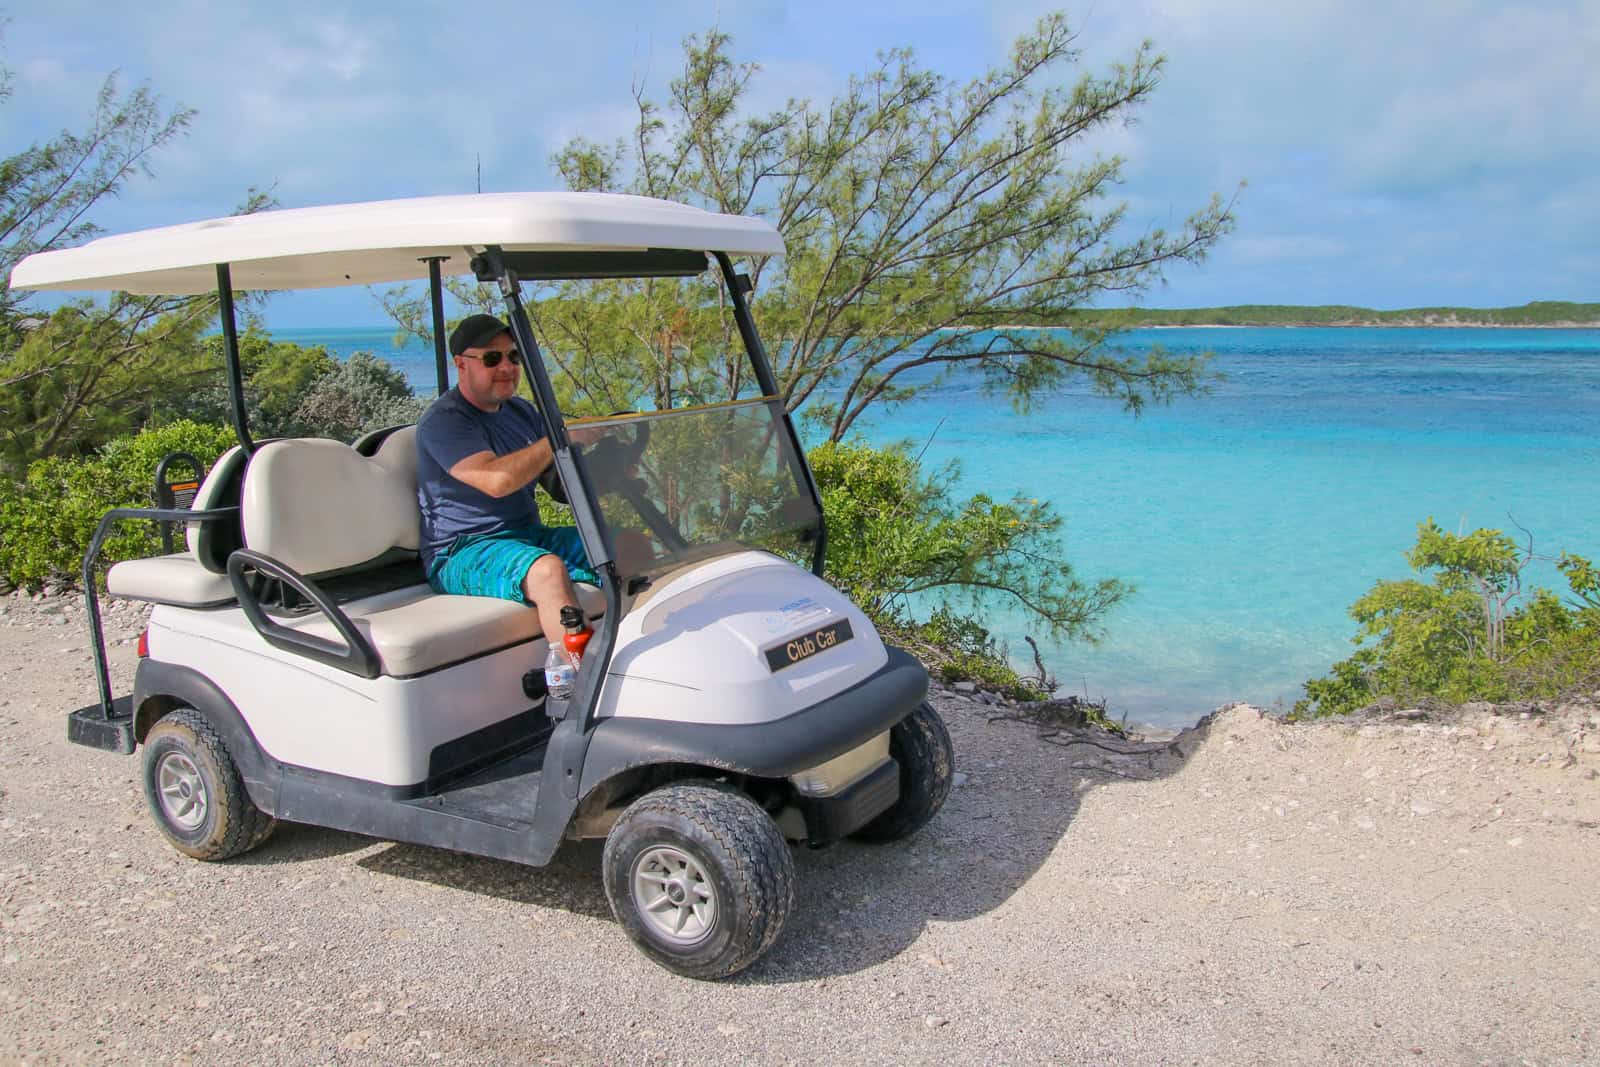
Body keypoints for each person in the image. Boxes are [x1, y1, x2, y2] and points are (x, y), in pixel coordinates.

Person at [416, 313, 600, 643]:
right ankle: (583, 678)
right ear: (461, 364)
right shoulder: (444, 422)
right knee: (547, 571)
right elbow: (496, 480)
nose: (506, 367)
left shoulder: (522, 413)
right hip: (462, 550)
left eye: (513, 356)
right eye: (492, 358)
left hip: (526, 536)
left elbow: (556, 485)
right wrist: (559, 438)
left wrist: (609, 466)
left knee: (629, 545)